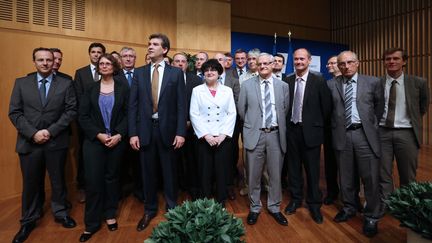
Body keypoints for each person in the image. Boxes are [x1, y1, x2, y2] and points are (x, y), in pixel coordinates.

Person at [9, 47, 77, 243]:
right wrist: (33, 133)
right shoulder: (21, 83)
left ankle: (61, 213)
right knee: (31, 184)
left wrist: (50, 131)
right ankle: (29, 220)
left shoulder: (65, 84)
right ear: (35, 61)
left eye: (48, 59)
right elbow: (15, 113)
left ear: (53, 61)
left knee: (58, 181)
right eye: (41, 60)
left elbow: (71, 111)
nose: (46, 63)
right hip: (29, 143)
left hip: (56, 141)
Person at [129, 33, 186, 231]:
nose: (150, 47)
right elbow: (133, 106)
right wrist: (133, 133)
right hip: (145, 131)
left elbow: (181, 106)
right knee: (148, 173)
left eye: (155, 44)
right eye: (149, 44)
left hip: (169, 131)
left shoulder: (176, 73)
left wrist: (181, 132)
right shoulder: (139, 72)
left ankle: (172, 209)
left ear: (165, 50)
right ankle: (149, 209)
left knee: (170, 173)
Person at [327, 50, 384, 237]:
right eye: (342, 63)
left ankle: (372, 216)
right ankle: (349, 207)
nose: (346, 66)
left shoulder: (373, 82)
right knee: (346, 176)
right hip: (342, 135)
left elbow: (378, 107)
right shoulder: (331, 84)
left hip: (364, 135)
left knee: (370, 178)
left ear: (358, 63)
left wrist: (370, 125)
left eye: (350, 62)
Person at [77, 53, 129, 242]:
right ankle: (91, 224)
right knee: (93, 181)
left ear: (115, 67)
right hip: (94, 142)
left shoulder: (124, 88)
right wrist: (99, 135)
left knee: (112, 179)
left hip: (116, 141)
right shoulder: (90, 88)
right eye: (101, 63)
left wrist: (119, 135)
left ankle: (109, 214)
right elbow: (83, 116)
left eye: (108, 63)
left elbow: (128, 115)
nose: (104, 66)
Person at [238, 53, 290, 226]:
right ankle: (254, 207)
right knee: (253, 174)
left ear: (273, 64)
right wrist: (253, 125)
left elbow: (285, 109)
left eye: (266, 63)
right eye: (259, 63)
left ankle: (274, 207)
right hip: (255, 134)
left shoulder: (283, 86)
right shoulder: (246, 85)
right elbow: (241, 111)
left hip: (275, 134)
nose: (262, 66)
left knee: (275, 174)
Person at [284, 48, 332, 224]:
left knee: (312, 170)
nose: (298, 62)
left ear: (309, 60)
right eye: (296, 59)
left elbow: (326, 108)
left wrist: (315, 125)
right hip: (292, 132)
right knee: (293, 169)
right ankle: (296, 199)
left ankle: (314, 203)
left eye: (302, 59)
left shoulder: (318, 81)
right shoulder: (287, 80)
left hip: (311, 132)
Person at [379, 48, 429, 204]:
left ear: (404, 61)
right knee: (383, 172)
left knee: (407, 173)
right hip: (382, 132)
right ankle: (387, 203)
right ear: (384, 62)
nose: (391, 62)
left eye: (396, 58)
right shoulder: (376, 83)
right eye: (388, 59)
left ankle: (406, 206)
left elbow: (423, 106)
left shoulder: (418, 82)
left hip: (406, 133)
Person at [189, 59, 237, 205]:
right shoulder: (197, 90)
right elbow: (194, 114)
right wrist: (206, 135)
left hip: (222, 137)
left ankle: (221, 199)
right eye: (207, 70)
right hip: (204, 138)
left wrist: (223, 135)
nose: (210, 72)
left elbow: (231, 113)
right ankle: (205, 200)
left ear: (218, 73)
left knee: (222, 170)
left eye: (213, 70)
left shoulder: (227, 90)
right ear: (203, 74)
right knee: (204, 171)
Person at [74, 42, 106, 203]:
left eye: (99, 52)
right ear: (89, 54)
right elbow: (79, 99)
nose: (96, 54)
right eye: (93, 52)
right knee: (84, 156)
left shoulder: (110, 72)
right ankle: (83, 187)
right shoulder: (81, 73)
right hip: (87, 124)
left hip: (107, 124)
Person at [172, 52, 202, 199]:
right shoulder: (167, 79)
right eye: (177, 61)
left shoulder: (196, 80)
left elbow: (200, 104)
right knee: (175, 159)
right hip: (172, 127)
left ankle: (193, 187)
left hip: (192, 127)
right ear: (172, 64)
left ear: (187, 64)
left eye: (183, 61)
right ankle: (177, 186)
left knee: (192, 158)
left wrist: (190, 120)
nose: (180, 63)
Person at [214, 52, 241, 200]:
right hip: (212, 127)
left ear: (226, 62)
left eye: (221, 60)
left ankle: (228, 185)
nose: (218, 62)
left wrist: (227, 119)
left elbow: (237, 103)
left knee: (230, 155)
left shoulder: (234, 80)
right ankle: (215, 184)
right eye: (216, 60)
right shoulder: (208, 79)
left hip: (230, 125)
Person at [322, 55, 341, 205]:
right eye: (328, 63)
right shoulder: (327, 84)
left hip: (350, 130)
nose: (329, 65)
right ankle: (332, 192)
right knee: (330, 164)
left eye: (332, 63)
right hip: (330, 130)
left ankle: (351, 196)